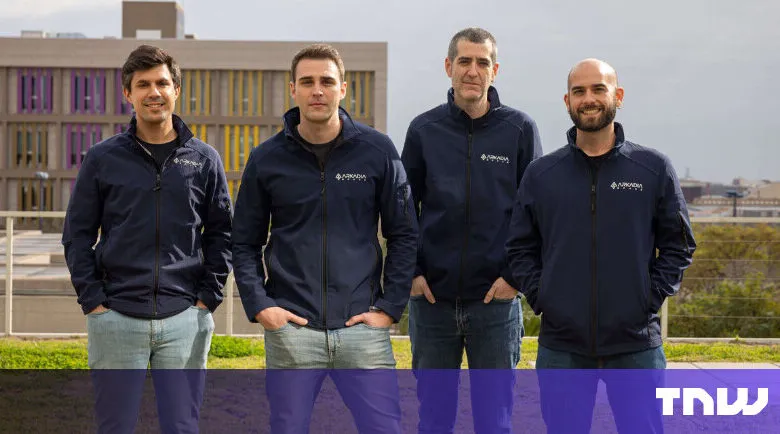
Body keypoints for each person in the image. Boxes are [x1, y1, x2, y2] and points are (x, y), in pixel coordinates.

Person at [231, 43, 417, 433]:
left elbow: (403, 234)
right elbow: (244, 241)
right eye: (308, 82)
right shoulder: (266, 158)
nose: (318, 90)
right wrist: (262, 305)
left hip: (362, 329)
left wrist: (388, 308)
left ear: (343, 88)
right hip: (292, 330)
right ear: (293, 89)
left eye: (327, 81)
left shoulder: (377, 150)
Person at [506, 58, 697, 433]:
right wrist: (544, 296)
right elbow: (519, 247)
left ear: (618, 96)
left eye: (598, 89)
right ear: (567, 101)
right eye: (579, 91)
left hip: (635, 343)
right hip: (563, 344)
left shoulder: (652, 168)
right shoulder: (542, 174)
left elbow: (678, 244)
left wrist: (648, 297)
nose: (588, 99)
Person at [62, 44, 233, 434]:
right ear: (128, 94)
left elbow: (223, 233)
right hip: (116, 317)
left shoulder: (204, 159)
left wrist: (208, 298)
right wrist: (94, 302)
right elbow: (77, 235)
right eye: (143, 85)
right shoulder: (103, 158)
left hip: (185, 317)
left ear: (176, 89)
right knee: (115, 426)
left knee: (182, 425)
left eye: (162, 82)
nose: (154, 92)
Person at [401, 27, 542, 433]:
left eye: (482, 63)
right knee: (434, 418)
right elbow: (403, 210)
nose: (472, 71)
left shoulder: (519, 130)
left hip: (495, 303)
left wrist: (515, 279)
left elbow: (537, 212)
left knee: (494, 420)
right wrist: (411, 273)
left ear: (494, 71)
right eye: (464, 61)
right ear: (449, 67)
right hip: (432, 303)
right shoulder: (423, 131)